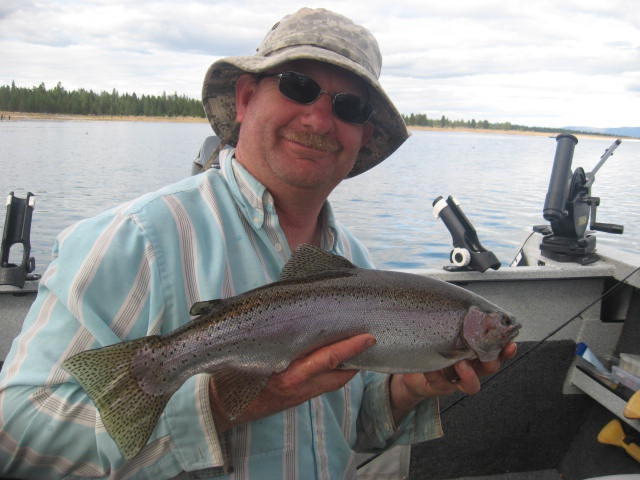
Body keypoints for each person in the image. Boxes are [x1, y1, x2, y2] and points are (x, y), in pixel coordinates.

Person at [0, 7, 516, 479]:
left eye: (350, 106)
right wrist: (221, 405)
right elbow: (15, 440)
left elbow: (346, 431)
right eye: (297, 86)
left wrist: (405, 391)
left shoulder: (354, 262)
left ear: (362, 133)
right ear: (246, 98)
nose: (318, 119)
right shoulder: (135, 240)